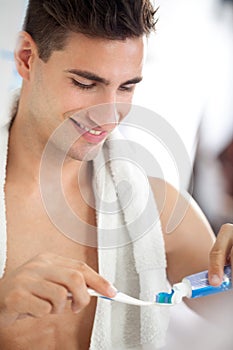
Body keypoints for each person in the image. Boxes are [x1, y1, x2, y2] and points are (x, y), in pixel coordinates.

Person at [0, 1, 232, 349]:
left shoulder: (159, 211)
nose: (109, 115)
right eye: (85, 83)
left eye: (126, 87)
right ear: (27, 57)